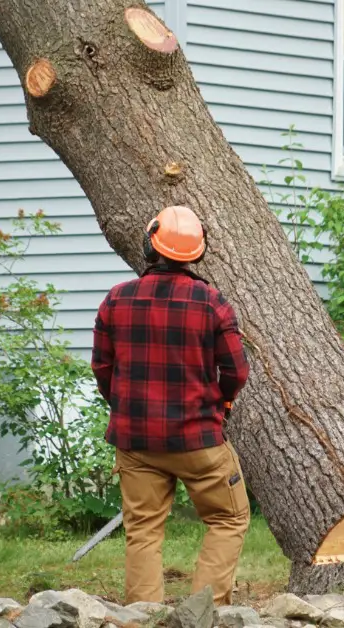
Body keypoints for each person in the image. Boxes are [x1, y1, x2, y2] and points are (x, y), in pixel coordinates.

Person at [91, 204, 251, 606]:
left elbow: (102, 368)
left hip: (136, 441)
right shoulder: (212, 303)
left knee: (143, 530)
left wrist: (127, 409)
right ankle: (205, 613)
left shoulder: (116, 300)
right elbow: (236, 372)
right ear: (197, 252)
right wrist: (222, 405)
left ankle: (141, 618)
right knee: (228, 518)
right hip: (198, 440)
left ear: (150, 246)